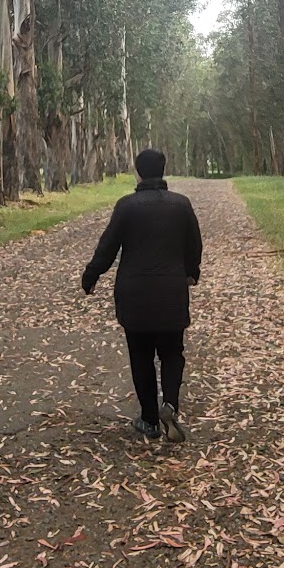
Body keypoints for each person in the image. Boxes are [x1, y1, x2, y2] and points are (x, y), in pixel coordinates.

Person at [81, 148, 202, 444]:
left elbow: (107, 246)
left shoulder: (126, 206)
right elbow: (194, 244)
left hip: (134, 295)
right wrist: (191, 272)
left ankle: (148, 419)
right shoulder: (181, 205)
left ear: (138, 172)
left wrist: (91, 275)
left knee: (141, 356)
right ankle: (170, 405)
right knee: (173, 352)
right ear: (164, 169)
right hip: (171, 292)